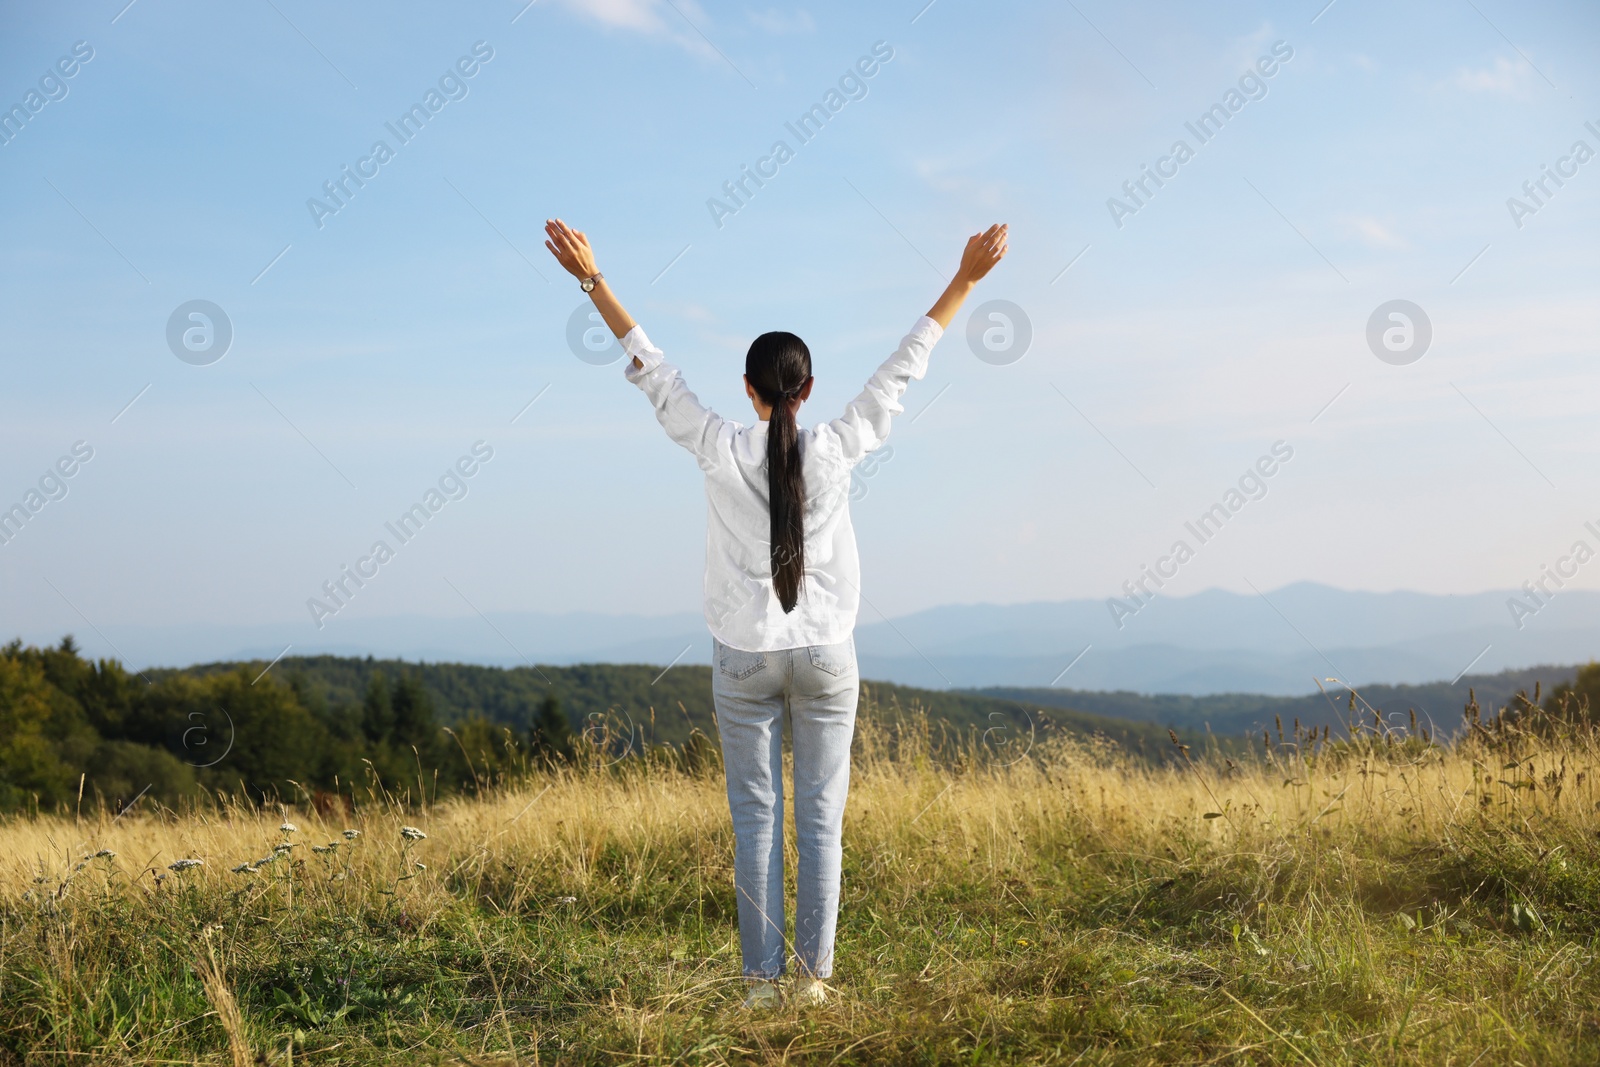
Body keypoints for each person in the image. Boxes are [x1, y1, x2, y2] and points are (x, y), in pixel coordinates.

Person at [543, 218, 1009, 1009]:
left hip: (743, 657)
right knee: (821, 820)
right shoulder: (834, 444)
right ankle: (813, 983)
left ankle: (760, 985)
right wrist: (965, 279)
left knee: (755, 820)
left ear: (752, 393)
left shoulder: (717, 443)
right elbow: (905, 367)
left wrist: (592, 280)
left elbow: (652, 365)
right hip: (828, 653)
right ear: (809, 391)